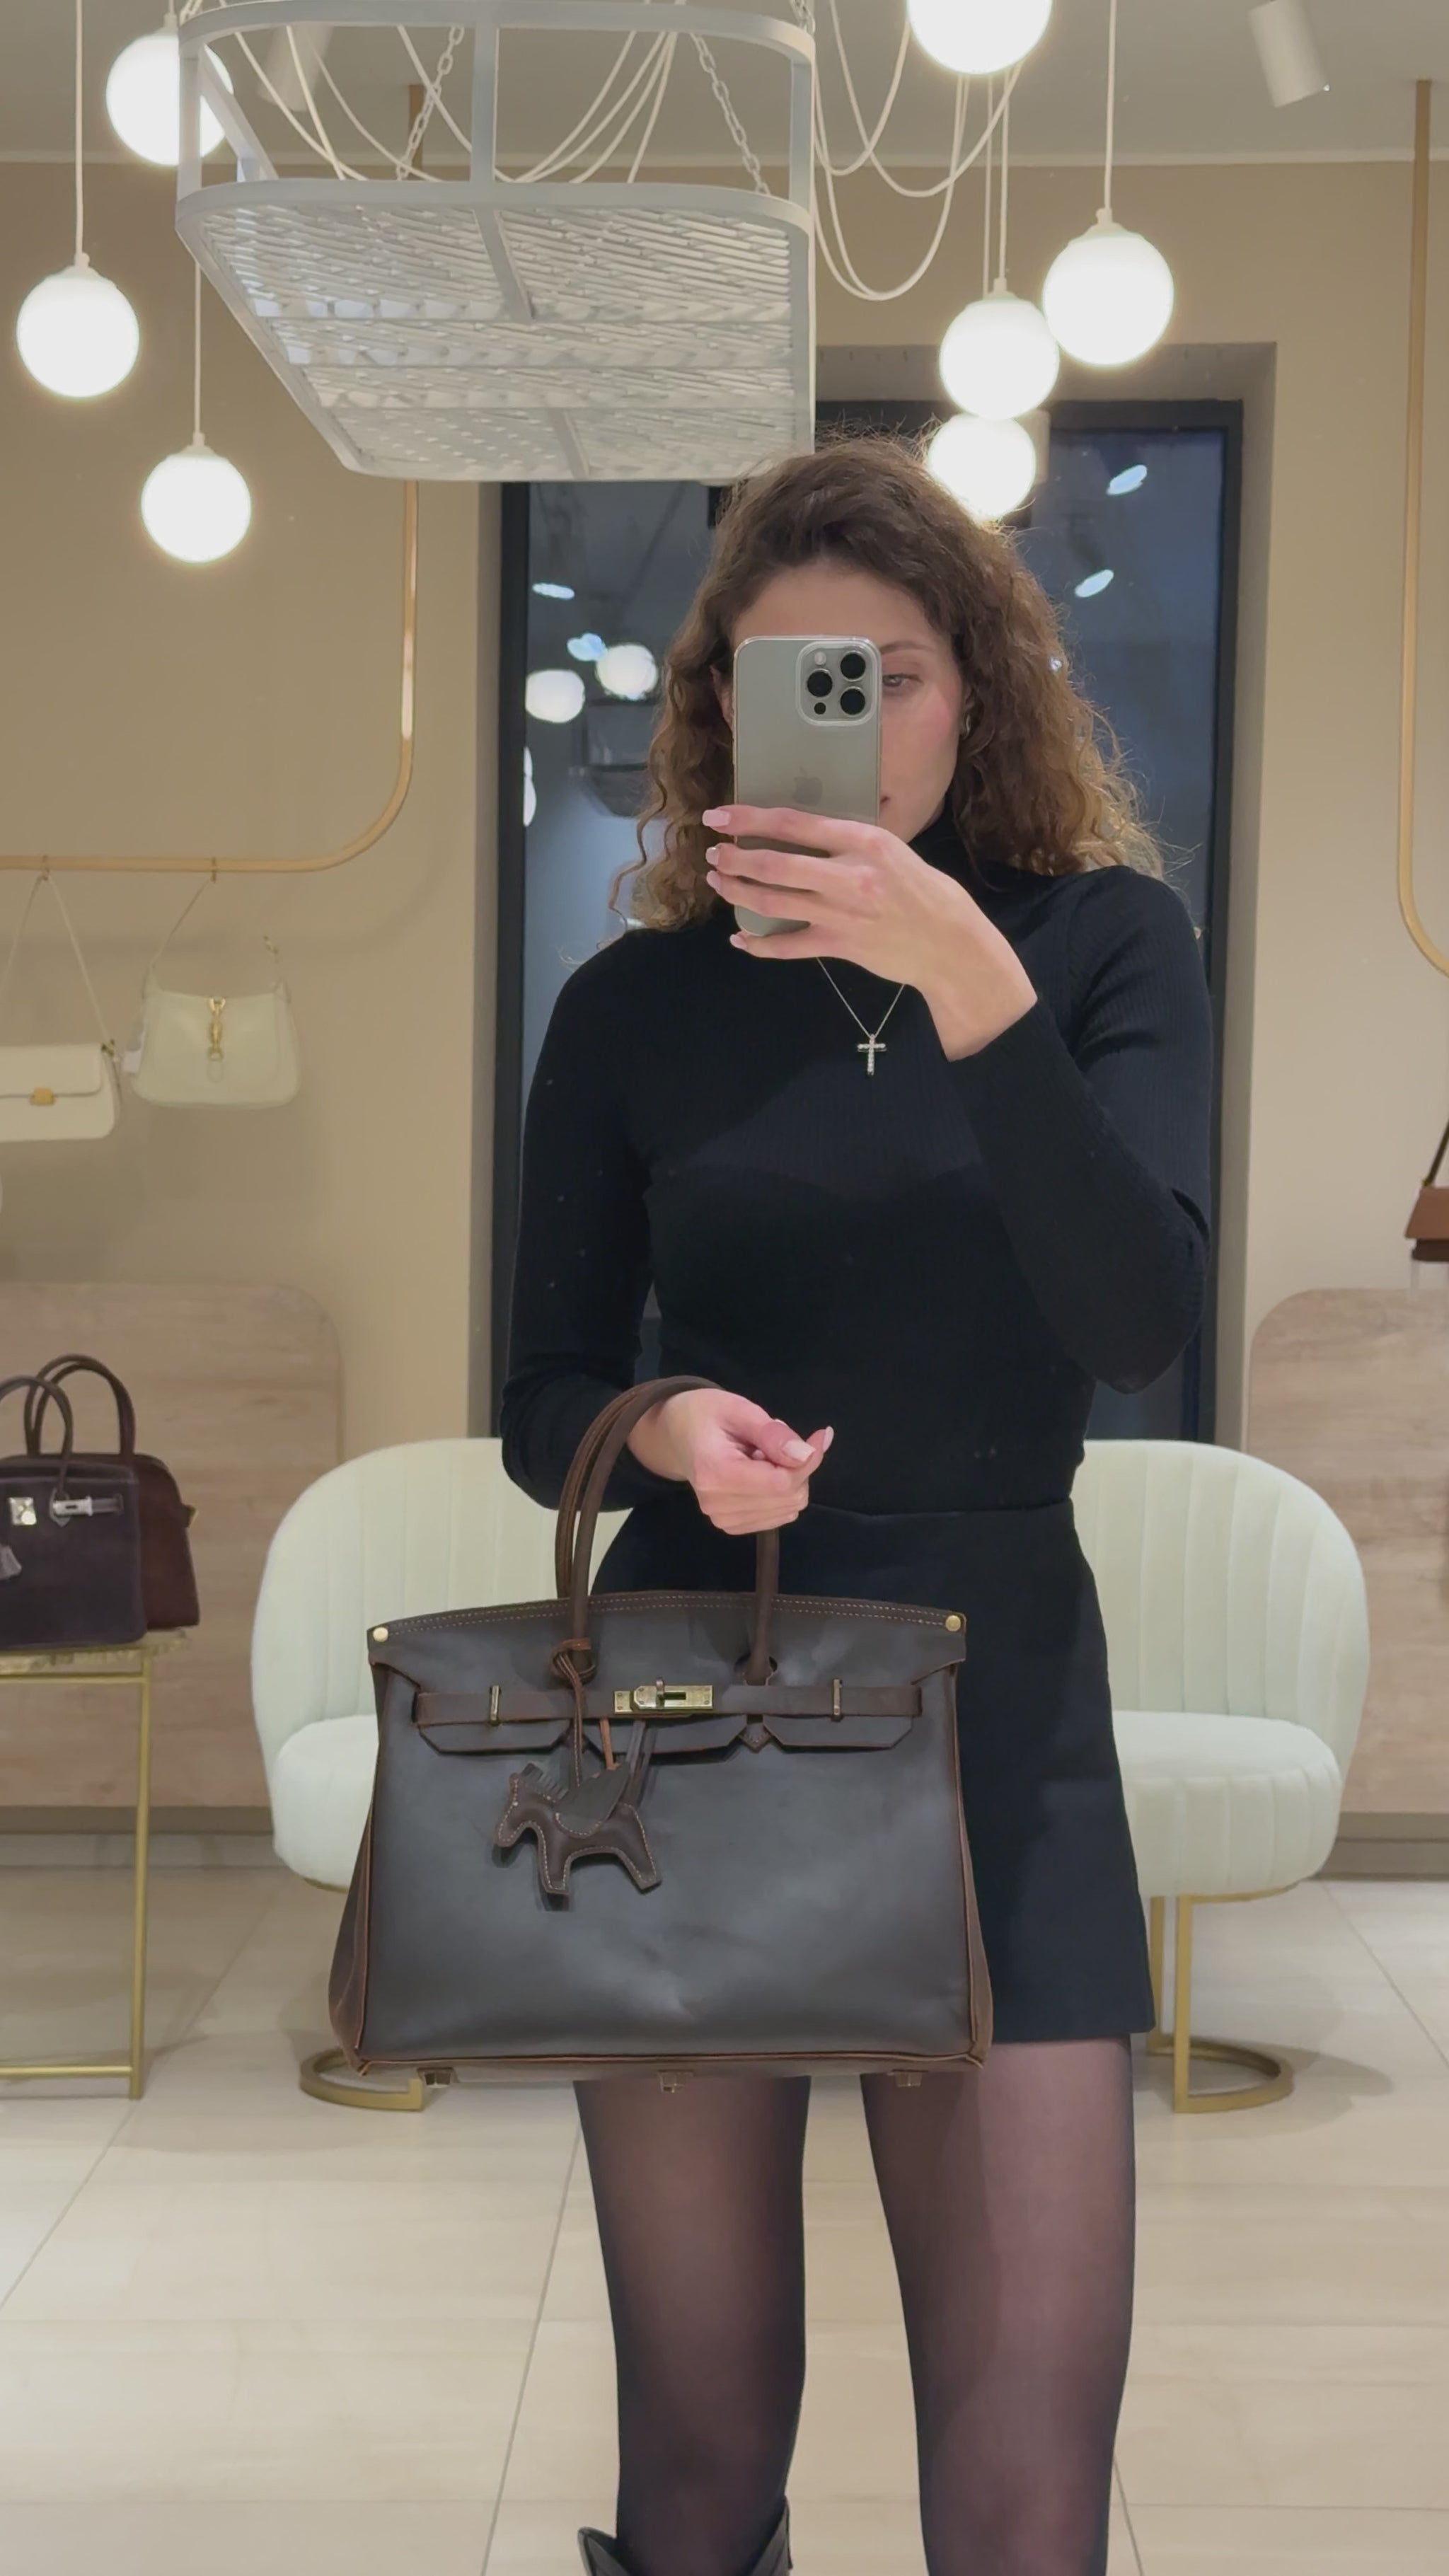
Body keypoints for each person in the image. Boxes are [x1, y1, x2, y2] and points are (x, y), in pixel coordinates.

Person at [500, 435, 1213, 2576]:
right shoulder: (631, 1009)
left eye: (891, 673)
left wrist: (965, 976)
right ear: (722, 707)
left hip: (1005, 1719)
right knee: (697, 2458)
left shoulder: (1098, 947)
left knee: (1024, 2482)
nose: (851, 716)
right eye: (792, 676)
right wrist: (662, 1425)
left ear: (974, 692)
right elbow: (541, 1395)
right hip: (699, 1695)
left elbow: (1136, 1322)